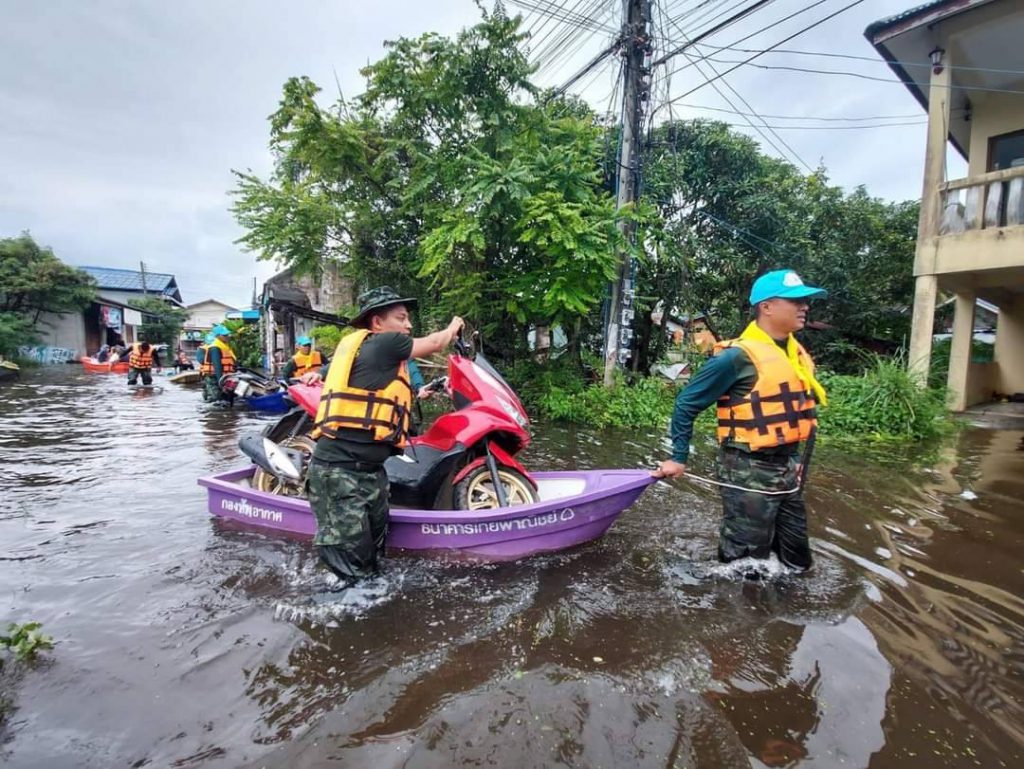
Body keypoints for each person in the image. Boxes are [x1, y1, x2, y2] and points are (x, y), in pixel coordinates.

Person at [652, 269, 828, 572]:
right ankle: (733, 612)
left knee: (797, 561)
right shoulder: (735, 357)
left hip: (786, 470)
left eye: (806, 301)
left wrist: (795, 458)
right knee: (744, 566)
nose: (805, 306)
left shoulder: (793, 353)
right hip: (747, 470)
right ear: (767, 306)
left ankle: (785, 614)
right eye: (795, 300)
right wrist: (678, 457)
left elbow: (794, 413)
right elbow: (686, 403)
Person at [303, 286, 463, 586]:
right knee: (352, 573)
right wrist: (455, 326)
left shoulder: (369, 354)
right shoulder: (385, 343)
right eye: (401, 318)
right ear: (377, 323)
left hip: (372, 473)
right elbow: (436, 342)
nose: (408, 325)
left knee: (374, 562)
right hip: (338, 473)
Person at [198, 325, 237, 404]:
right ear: (218, 336)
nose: (228, 336)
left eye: (228, 334)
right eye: (225, 335)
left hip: (225, 376)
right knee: (215, 399)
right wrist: (221, 383)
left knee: (227, 398)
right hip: (214, 378)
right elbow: (217, 366)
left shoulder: (224, 346)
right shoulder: (215, 348)